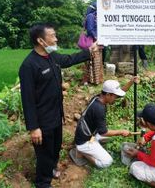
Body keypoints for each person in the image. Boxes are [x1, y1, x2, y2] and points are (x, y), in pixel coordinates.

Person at [19, 23, 98, 188]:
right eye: (53, 35)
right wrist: (34, 127)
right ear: (41, 40)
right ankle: (43, 182)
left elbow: (69, 59)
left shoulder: (52, 57)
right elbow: (28, 100)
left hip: (56, 115)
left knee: (55, 147)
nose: (56, 38)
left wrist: (90, 50)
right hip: (42, 120)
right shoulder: (29, 65)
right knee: (44, 155)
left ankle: (52, 168)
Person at [70, 77, 138, 168]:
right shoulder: (99, 109)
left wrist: (131, 82)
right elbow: (104, 132)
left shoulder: (98, 97)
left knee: (108, 139)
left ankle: (88, 146)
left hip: (87, 133)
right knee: (107, 161)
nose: (116, 99)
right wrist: (121, 131)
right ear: (108, 95)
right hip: (84, 141)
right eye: (115, 96)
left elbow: (121, 91)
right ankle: (81, 152)